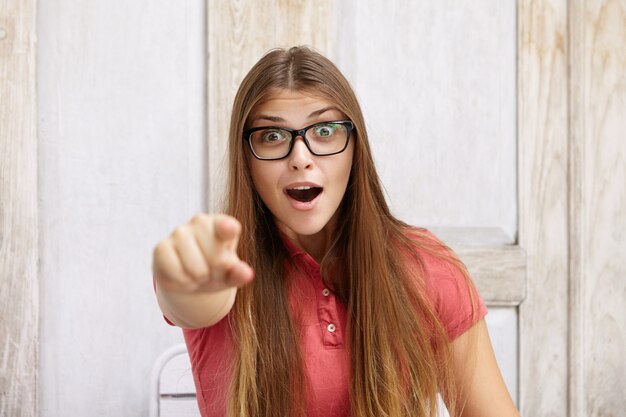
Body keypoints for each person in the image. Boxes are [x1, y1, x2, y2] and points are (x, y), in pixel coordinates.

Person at [152, 46, 520, 417]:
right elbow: (189, 301)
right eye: (272, 136)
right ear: (245, 159)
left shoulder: (425, 267)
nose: (300, 157)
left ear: (355, 147)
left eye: (324, 131)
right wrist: (183, 284)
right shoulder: (221, 267)